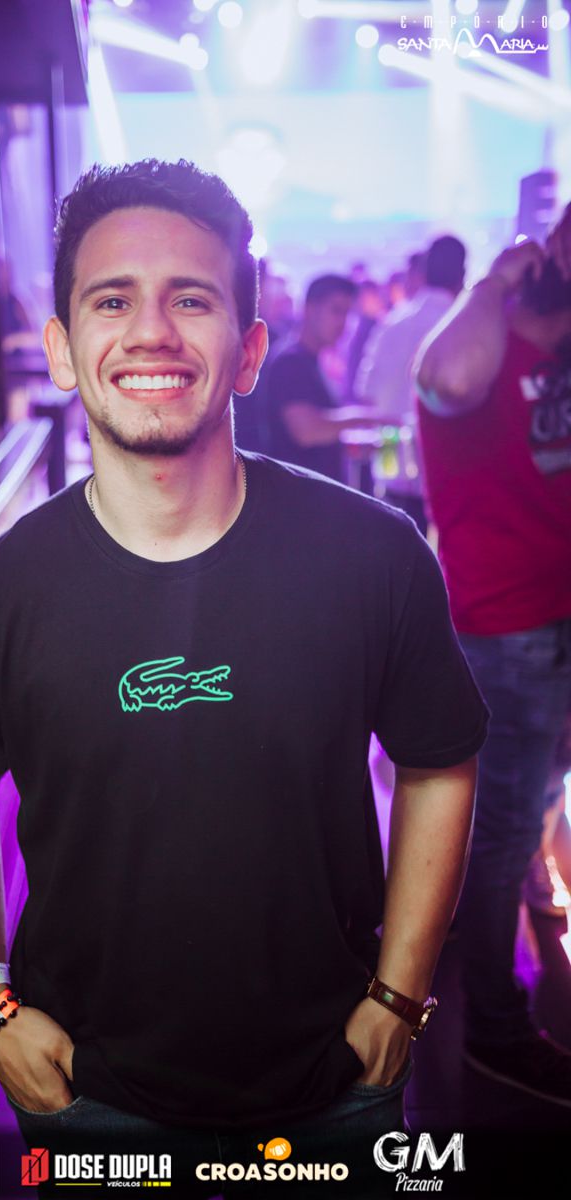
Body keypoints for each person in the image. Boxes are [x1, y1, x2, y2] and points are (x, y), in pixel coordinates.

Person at [0, 160, 486, 1195]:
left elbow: (439, 760)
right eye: (111, 300)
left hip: (336, 1078)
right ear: (62, 348)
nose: (150, 333)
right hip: (86, 1090)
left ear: (249, 350)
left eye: (191, 300)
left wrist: (399, 996)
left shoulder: (373, 556)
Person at [415, 206, 571, 1107]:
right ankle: (492, 1030)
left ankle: (469, 922)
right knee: (501, 822)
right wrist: (493, 280)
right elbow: (443, 377)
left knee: (540, 789)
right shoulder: (481, 344)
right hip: (505, 626)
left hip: (557, 614)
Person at [356, 235, 466, 533]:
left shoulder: (391, 323)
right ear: (462, 273)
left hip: (390, 455)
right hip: (442, 463)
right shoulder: (461, 324)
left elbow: (367, 393)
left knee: (394, 544)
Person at [261, 274, 383, 483]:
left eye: (348, 314)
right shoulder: (290, 361)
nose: (343, 323)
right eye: (336, 311)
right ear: (309, 309)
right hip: (298, 494)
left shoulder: (313, 360)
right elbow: (306, 431)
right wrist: (362, 419)